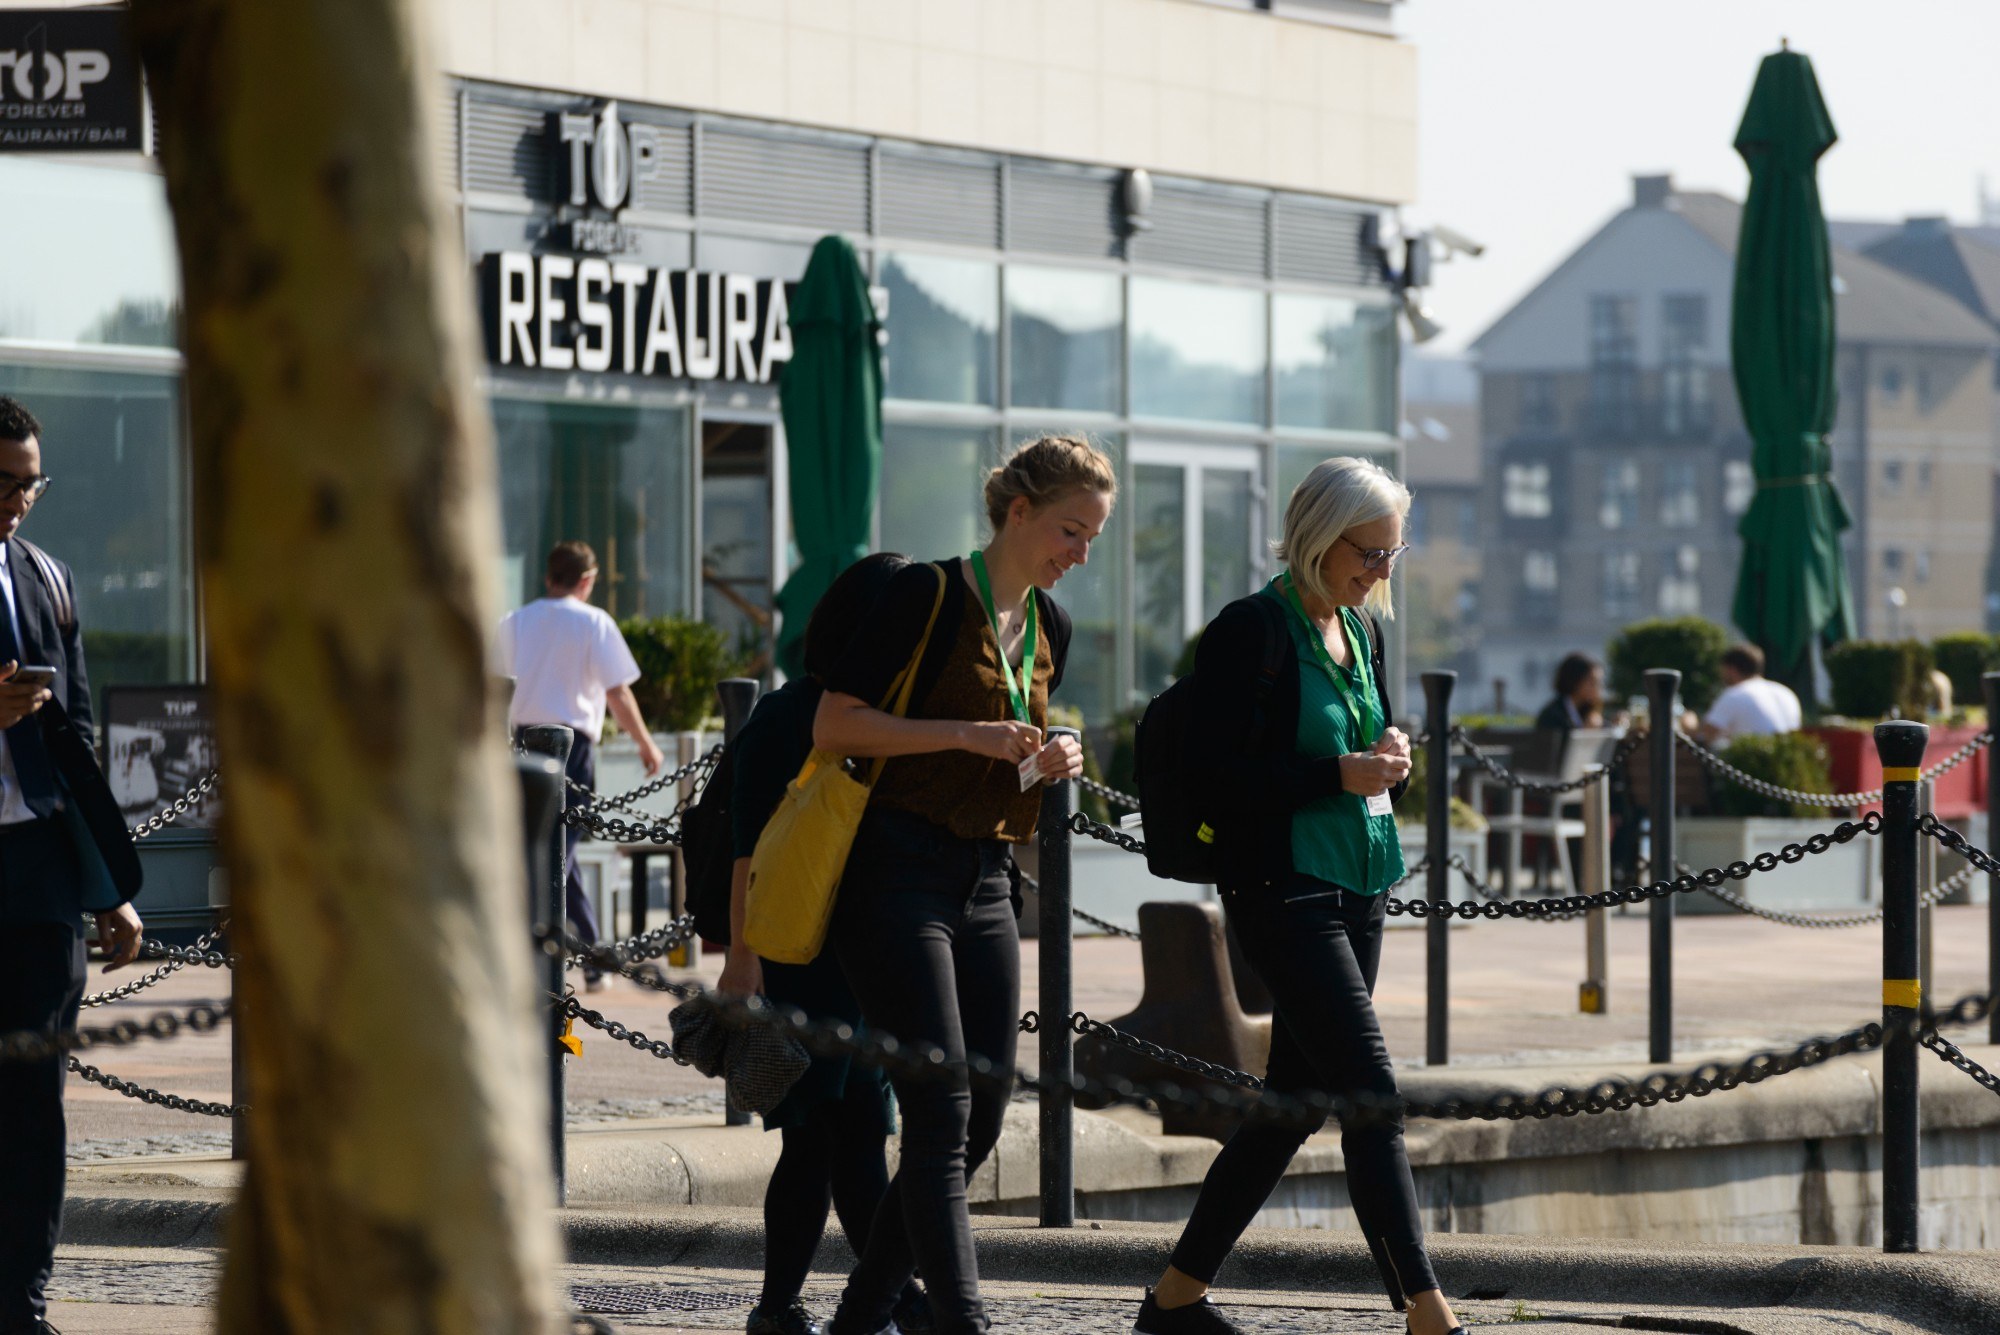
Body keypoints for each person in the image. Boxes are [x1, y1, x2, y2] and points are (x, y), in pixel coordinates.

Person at [1133, 457, 1464, 1335]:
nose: (1381, 570)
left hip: (1362, 880)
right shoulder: (1253, 629)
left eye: (1393, 554)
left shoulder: (1362, 628)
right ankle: (1428, 1312)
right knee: (1371, 1096)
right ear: (1321, 535)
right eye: (1370, 552)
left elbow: (1360, 745)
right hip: (1282, 888)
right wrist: (1336, 772)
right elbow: (1217, 777)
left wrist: (1386, 751)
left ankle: (1172, 1299)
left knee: (1295, 1105)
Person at [812, 434, 1114, 1335]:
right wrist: (966, 734)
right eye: (1071, 529)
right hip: (893, 871)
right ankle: (963, 1323)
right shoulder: (928, 593)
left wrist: (1055, 754)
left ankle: (861, 1315)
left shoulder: (1050, 627)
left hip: (989, 880)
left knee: (983, 1108)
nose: (1080, 553)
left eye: (1092, 536)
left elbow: (1015, 745)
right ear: (1017, 512)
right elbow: (834, 723)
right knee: (940, 1108)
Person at [718, 553, 929, 1335]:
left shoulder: (874, 711)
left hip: (855, 958)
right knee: (822, 1137)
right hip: (798, 955)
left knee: (853, 1135)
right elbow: (747, 849)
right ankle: (835, 1304)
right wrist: (742, 960)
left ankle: (865, 1300)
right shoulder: (790, 716)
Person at [0, 396, 145, 1335]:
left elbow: (80, 738)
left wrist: (111, 887)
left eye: (32, 482)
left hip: (41, 869)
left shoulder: (47, 578)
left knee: (33, 1106)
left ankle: (21, 1302)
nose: (20, 500)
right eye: (5, 481)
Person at [497, 541, 664, 988]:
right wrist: (645, 743)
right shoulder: (594, 622)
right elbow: (618, 693)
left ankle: (581, 956)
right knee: (556, 853)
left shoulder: (514, 621)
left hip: (520, 745)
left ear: (549, 575)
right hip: (572, 750)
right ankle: (588, 959)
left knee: (546, 851)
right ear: (587, 580)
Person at [1698, 643, 1802, 743]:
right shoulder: (1786, 692)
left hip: (1753, 758)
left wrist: (1689, 725)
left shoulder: (1735, 693)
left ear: (1731, 669)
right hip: (1790, 758)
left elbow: (1705, 736)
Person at [1534, 652, 1605, 733]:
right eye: (1593, 682)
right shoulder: (1552, 716)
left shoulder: (1587, 711)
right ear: (1575, 682)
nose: (1598, 688)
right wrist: (1585, 733)